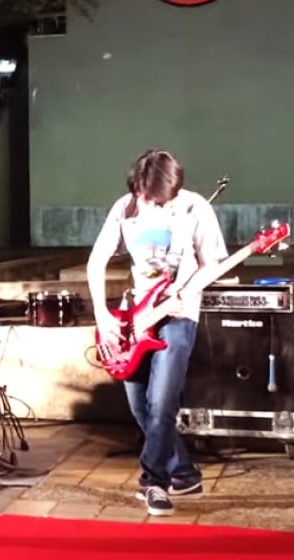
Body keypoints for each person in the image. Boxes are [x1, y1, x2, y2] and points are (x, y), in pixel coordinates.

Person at [86, 149, 227, 516]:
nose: (150, 206)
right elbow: (97, 259)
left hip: (179, 315)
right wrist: (103, 314)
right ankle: (184, 472)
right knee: (139, 406)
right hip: (138, 316)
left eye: (159, 201)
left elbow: (213, 265)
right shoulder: (125, 208)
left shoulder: (195, 209)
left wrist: (188, 289)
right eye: (145, 198)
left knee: (162, 401)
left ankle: (154, 482)